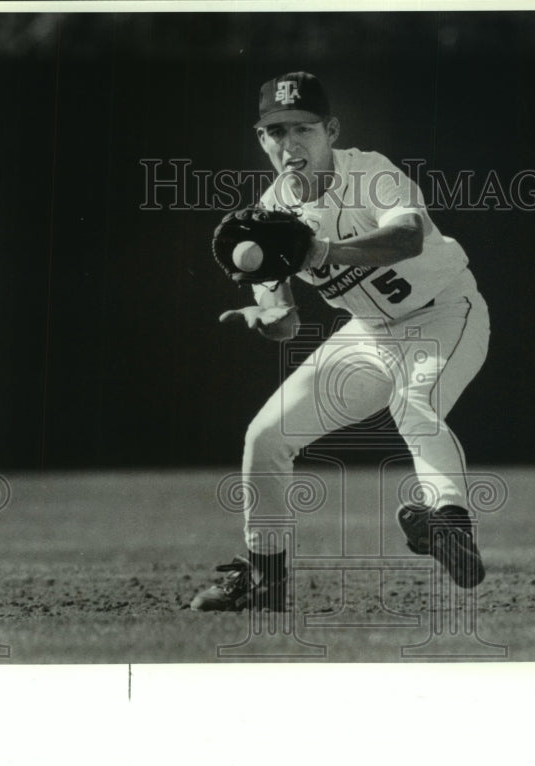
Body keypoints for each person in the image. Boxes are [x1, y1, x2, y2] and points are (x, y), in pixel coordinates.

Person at [191, 71, 490, 611]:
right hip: (369, 336)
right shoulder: (269, 217)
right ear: (262, 141)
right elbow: (287, 319)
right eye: (275, 132)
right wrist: (267, 317)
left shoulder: (370, 173)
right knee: (266, 435)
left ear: (330, 130)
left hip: (445, 311)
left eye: (302, 129)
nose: (289, 144)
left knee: (415, 401)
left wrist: (320, 251)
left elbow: (407, 237)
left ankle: (449, 522)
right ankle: (265, 577)